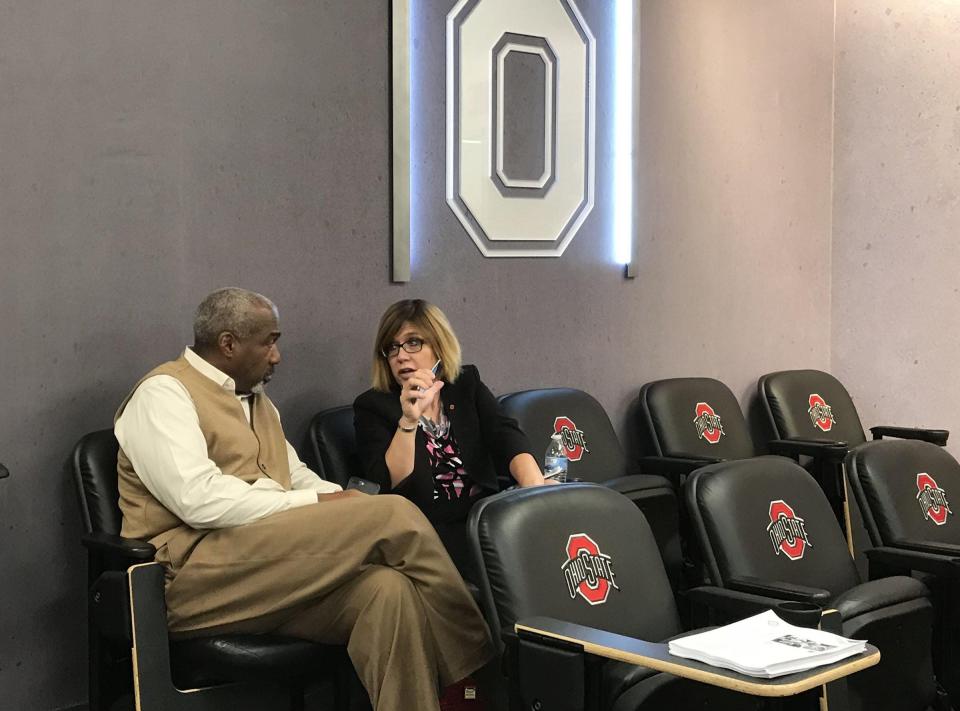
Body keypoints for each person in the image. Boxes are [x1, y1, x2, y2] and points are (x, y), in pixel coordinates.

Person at [114, 287, 492, 711]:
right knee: (394, 514)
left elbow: (294, 477)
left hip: (265, 569)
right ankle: (478, 672)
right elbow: (198, 500)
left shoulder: (259, 403)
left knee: (387, 593)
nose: (276, 356)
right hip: (190, 578)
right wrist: (319, 506)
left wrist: (343, 499)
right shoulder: (164, 393)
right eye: (269, 342)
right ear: (228, 344)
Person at [354, 299, 548, 582]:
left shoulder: (465, 384)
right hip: (428, 530)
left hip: (483, 517)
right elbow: (387, 483)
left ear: (438, 346)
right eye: (392, 347)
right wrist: (408, 419)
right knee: (512, 563)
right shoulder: (373, 407)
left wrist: (536, 493)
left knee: (550, 538)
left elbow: (505, 435)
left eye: (413, 342)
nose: (401, 356)